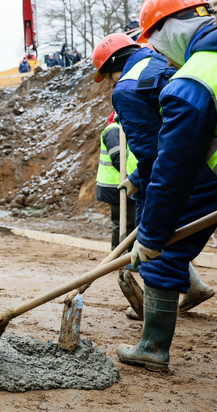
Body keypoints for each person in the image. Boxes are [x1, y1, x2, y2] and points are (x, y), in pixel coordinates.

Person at [93, 6, 217, 370]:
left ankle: (152, 348)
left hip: (202, 174)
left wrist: (150, 232)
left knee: (162, 252)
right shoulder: (169, 68)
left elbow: (163, 159)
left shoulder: (152, 84)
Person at [95, 112, 138, 252]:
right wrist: (134, 178)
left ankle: (125, 256)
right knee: (123, 223)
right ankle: (119, 256)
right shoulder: (114, 130)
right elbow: (118, 159)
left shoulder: (121, 130)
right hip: (115, 185)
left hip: (122, 183)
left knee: (129, 222)